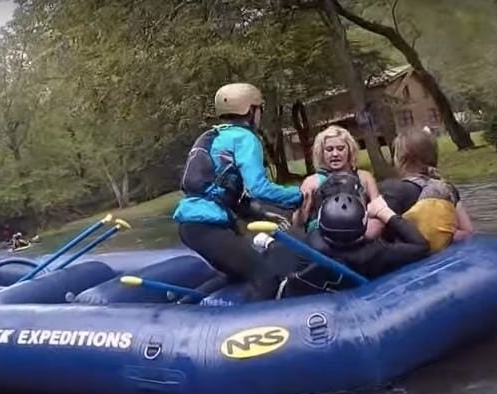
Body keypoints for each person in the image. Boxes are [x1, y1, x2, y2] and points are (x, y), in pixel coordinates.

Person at [173, 83, 303, 300]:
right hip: (208, 228)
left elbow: (221, 192)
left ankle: (184, 306)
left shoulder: (215, 136)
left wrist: (261, 214)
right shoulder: (245, 138)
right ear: (250, 110)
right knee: (266, 276)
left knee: (236, 275)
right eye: (259, 109)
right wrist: (299, 195)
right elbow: (259, 188)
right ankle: (259, 320)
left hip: (191, 226)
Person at [281, 191, 430, 296]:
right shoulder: (376, 253)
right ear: (363, 224)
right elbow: (420, 246)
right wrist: (385, 212)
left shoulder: (306, 243)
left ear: (320, 222)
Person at [378, 128, 475, 253]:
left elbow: (373, 232)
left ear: (401, 158)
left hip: (409, 258)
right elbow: (468, 231)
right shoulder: (448, 188)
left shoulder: (395, 190)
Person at [296, 125, 384, 238]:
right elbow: (299, 223)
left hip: (360, 236)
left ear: (349, 150)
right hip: (322, 238)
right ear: (321, 153)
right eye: (329, 149)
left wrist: (365, 236)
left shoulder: (365, 178)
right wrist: (299, 207)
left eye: (340, 148)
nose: (335, 154)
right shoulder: (312, 182)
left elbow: (379, 212)